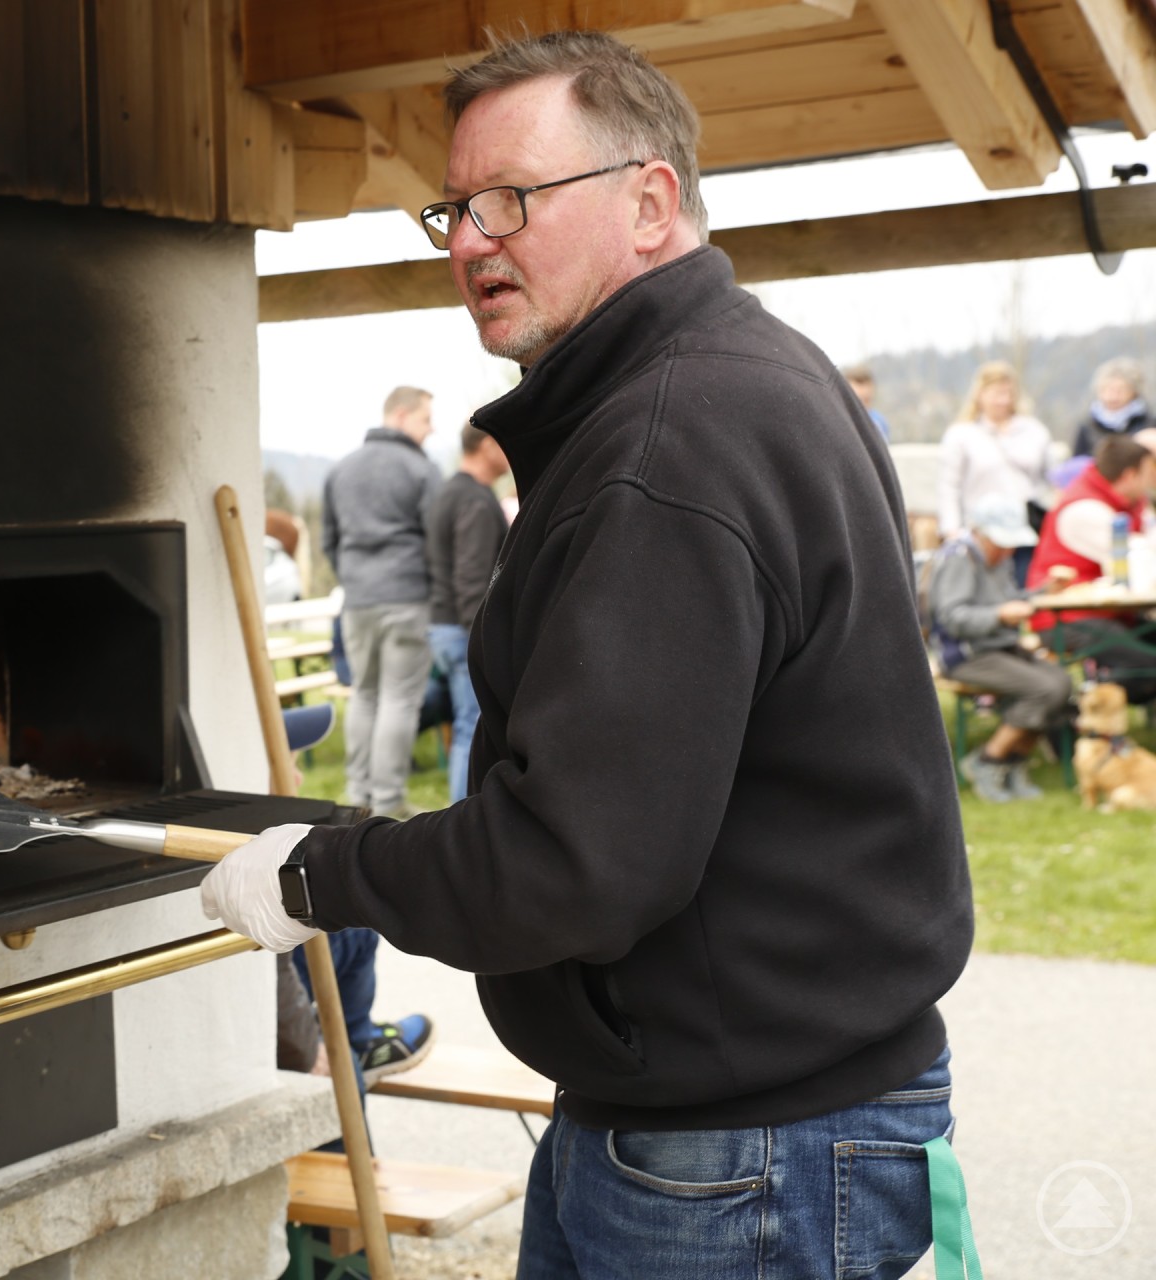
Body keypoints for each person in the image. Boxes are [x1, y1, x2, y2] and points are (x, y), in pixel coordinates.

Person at [201, 31, 974, 1280]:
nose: (468, 241)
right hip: (717, 1108)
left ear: (650, 202)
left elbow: (573, 858)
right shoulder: (738, 373)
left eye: (511, 199)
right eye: (454, 208)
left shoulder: (671, 441)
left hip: (739, 1153)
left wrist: (317, 877)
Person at [320, 386, 444, 819]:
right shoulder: (422, 471)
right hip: (407, 598)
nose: (431, 429)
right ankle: (388, 802)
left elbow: (329, 541)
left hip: (357, 601)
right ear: (403, 415)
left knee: (364, 694)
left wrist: (355, 579)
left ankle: (357, 796)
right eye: (426, 419)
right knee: (398, 699)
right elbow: (439, 541)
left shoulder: (341, 470)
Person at [928, 493, 1071, 802]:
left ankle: (1013, 763)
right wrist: (998, 615)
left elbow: (1011, 599)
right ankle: (988, 761)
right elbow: (952, 618)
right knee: (1044, 689)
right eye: (1002, 542)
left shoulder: (998, 557)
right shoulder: (959, 558)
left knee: (1061, 682)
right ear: (981, 533)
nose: (1009, 549)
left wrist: (1043, 590)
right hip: (966, 654)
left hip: (999, 646)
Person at [1026, 434, 1156, 703]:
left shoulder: (1127, 502)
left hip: (1108, 612)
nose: (1152, 479)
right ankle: (1083, 710)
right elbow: (1140, 564)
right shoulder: (1085, 509)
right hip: (1066, 618)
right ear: (1130, 475)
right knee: (1148, 666)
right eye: (1149, 472)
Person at [426, 423, 511, 803]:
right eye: (504, 444)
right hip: (462, 630)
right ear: (488, 444)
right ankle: (463, 817)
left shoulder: (448, 492)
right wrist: (483, 640)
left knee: (466, 726)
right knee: (470, 729)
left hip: (443, 626)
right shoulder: (475, 500)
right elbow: (472, 578)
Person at [937, 361, 1054, 587]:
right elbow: (949, 486)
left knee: (1025, 591)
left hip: (1027, 530)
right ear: (979, 395)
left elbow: (1052, 478)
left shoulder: (1034, 431)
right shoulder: (961, 434)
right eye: (995, 394)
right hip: (983, 534)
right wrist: (952, 530)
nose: (1003, 400)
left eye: (1007, 393)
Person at [1070, 356, 1150, 459]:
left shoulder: (1148, 423)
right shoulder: (1087, 427)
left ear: (1134, 392)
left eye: (1120, 390)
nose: (1112, 396)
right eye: (1106, 389)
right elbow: (1078, 463)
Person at [843, 364, 891, 441]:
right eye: (857, 400)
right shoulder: (841, 423)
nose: (861, 407)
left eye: (866, 400)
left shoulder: (878, 423)